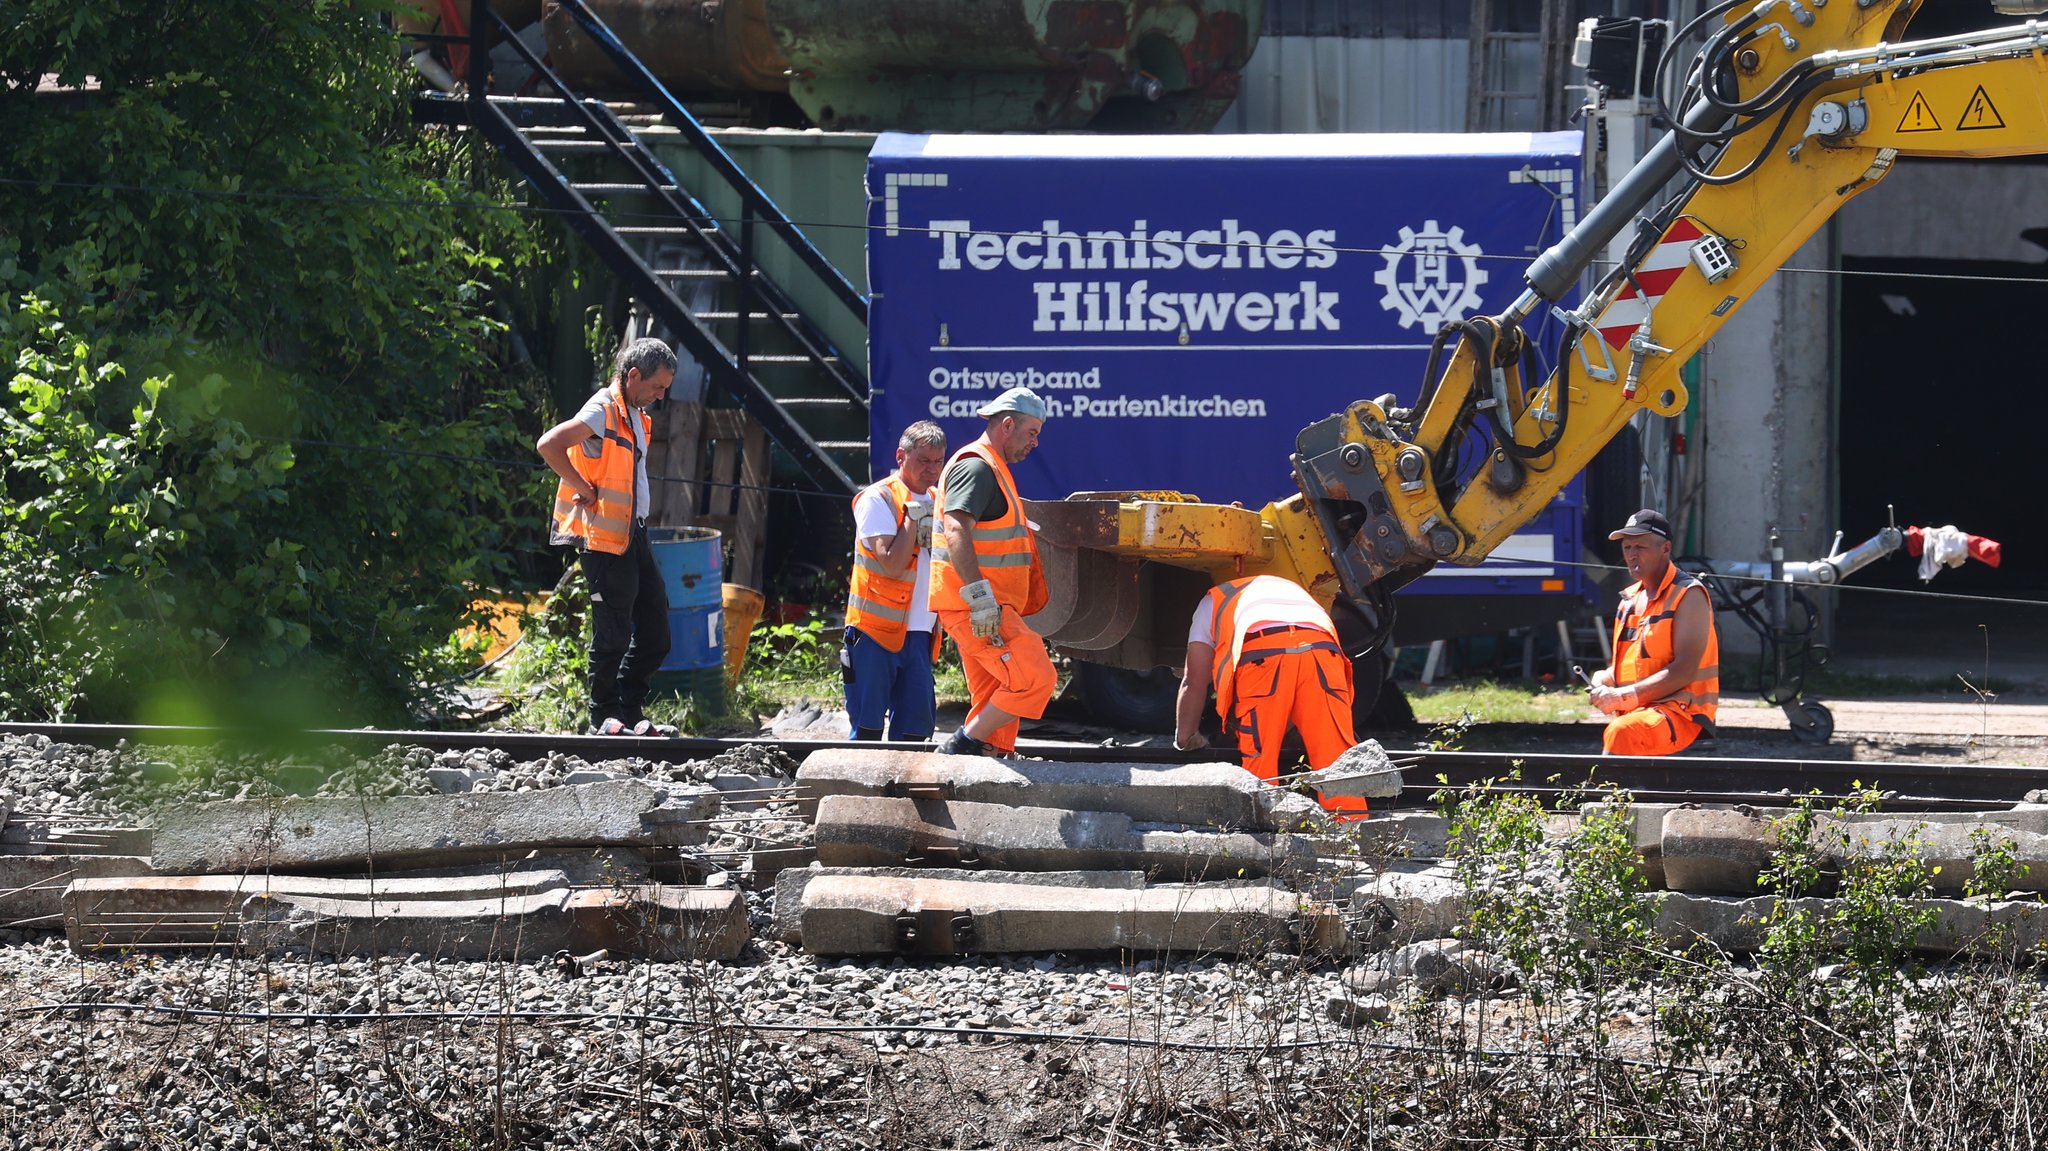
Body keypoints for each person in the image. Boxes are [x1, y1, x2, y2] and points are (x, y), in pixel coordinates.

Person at [536, 337, 678, 736]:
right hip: (603, 538)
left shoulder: (635, 413)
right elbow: (549, 444)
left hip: (633, 534)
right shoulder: (603, 408)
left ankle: (629, 710)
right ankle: (604, 715)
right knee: (613, 629)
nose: (660, 396)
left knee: (656, 631)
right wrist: (581, 485)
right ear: (634, 376)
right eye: (657, 387)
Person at [1171, 574, 1370, 820]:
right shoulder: (1288, 588)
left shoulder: (1212, 602)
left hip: (1263, 657)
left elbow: (1194, 680)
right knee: (1337, 758)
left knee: (1260, 760)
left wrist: (1185, 737)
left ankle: (1266, 840)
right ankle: (1352, 836)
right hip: (1323, 654)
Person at [930, 387, 1056, 757]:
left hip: (982, 605)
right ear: (1007, 424)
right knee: (1036, 678)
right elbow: (956, 528)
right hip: (980, 607)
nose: (1035, 443)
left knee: (997, 690)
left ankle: (988, 756)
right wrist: (980, 598)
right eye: (1031, 432)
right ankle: (961, 746)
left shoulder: (990, 467)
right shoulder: (977, 466)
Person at [844, 421, 948, 740]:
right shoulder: (877, 498)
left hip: (920, 633)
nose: (932, 469)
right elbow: (891, 563)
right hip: (873, 633)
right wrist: (914, 521)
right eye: (923, 460)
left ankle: (905, 791)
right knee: (867, 731)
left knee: (916, 734)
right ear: (901, 456)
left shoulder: (940, 499)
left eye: (938, 461)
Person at [1587, 508, 1721, 756]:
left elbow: (1684, 670)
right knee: (1622, 730)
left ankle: (1610, 795)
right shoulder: (1628, 601)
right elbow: (1631, 667)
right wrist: (1604, 678)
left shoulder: (1688, 595)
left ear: (1666, 549)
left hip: (1682, 715)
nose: (1631, 555)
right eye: (1627, 548)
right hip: (1641, 713)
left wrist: (1622, 696)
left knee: (1622, 732)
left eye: (1640, 547)